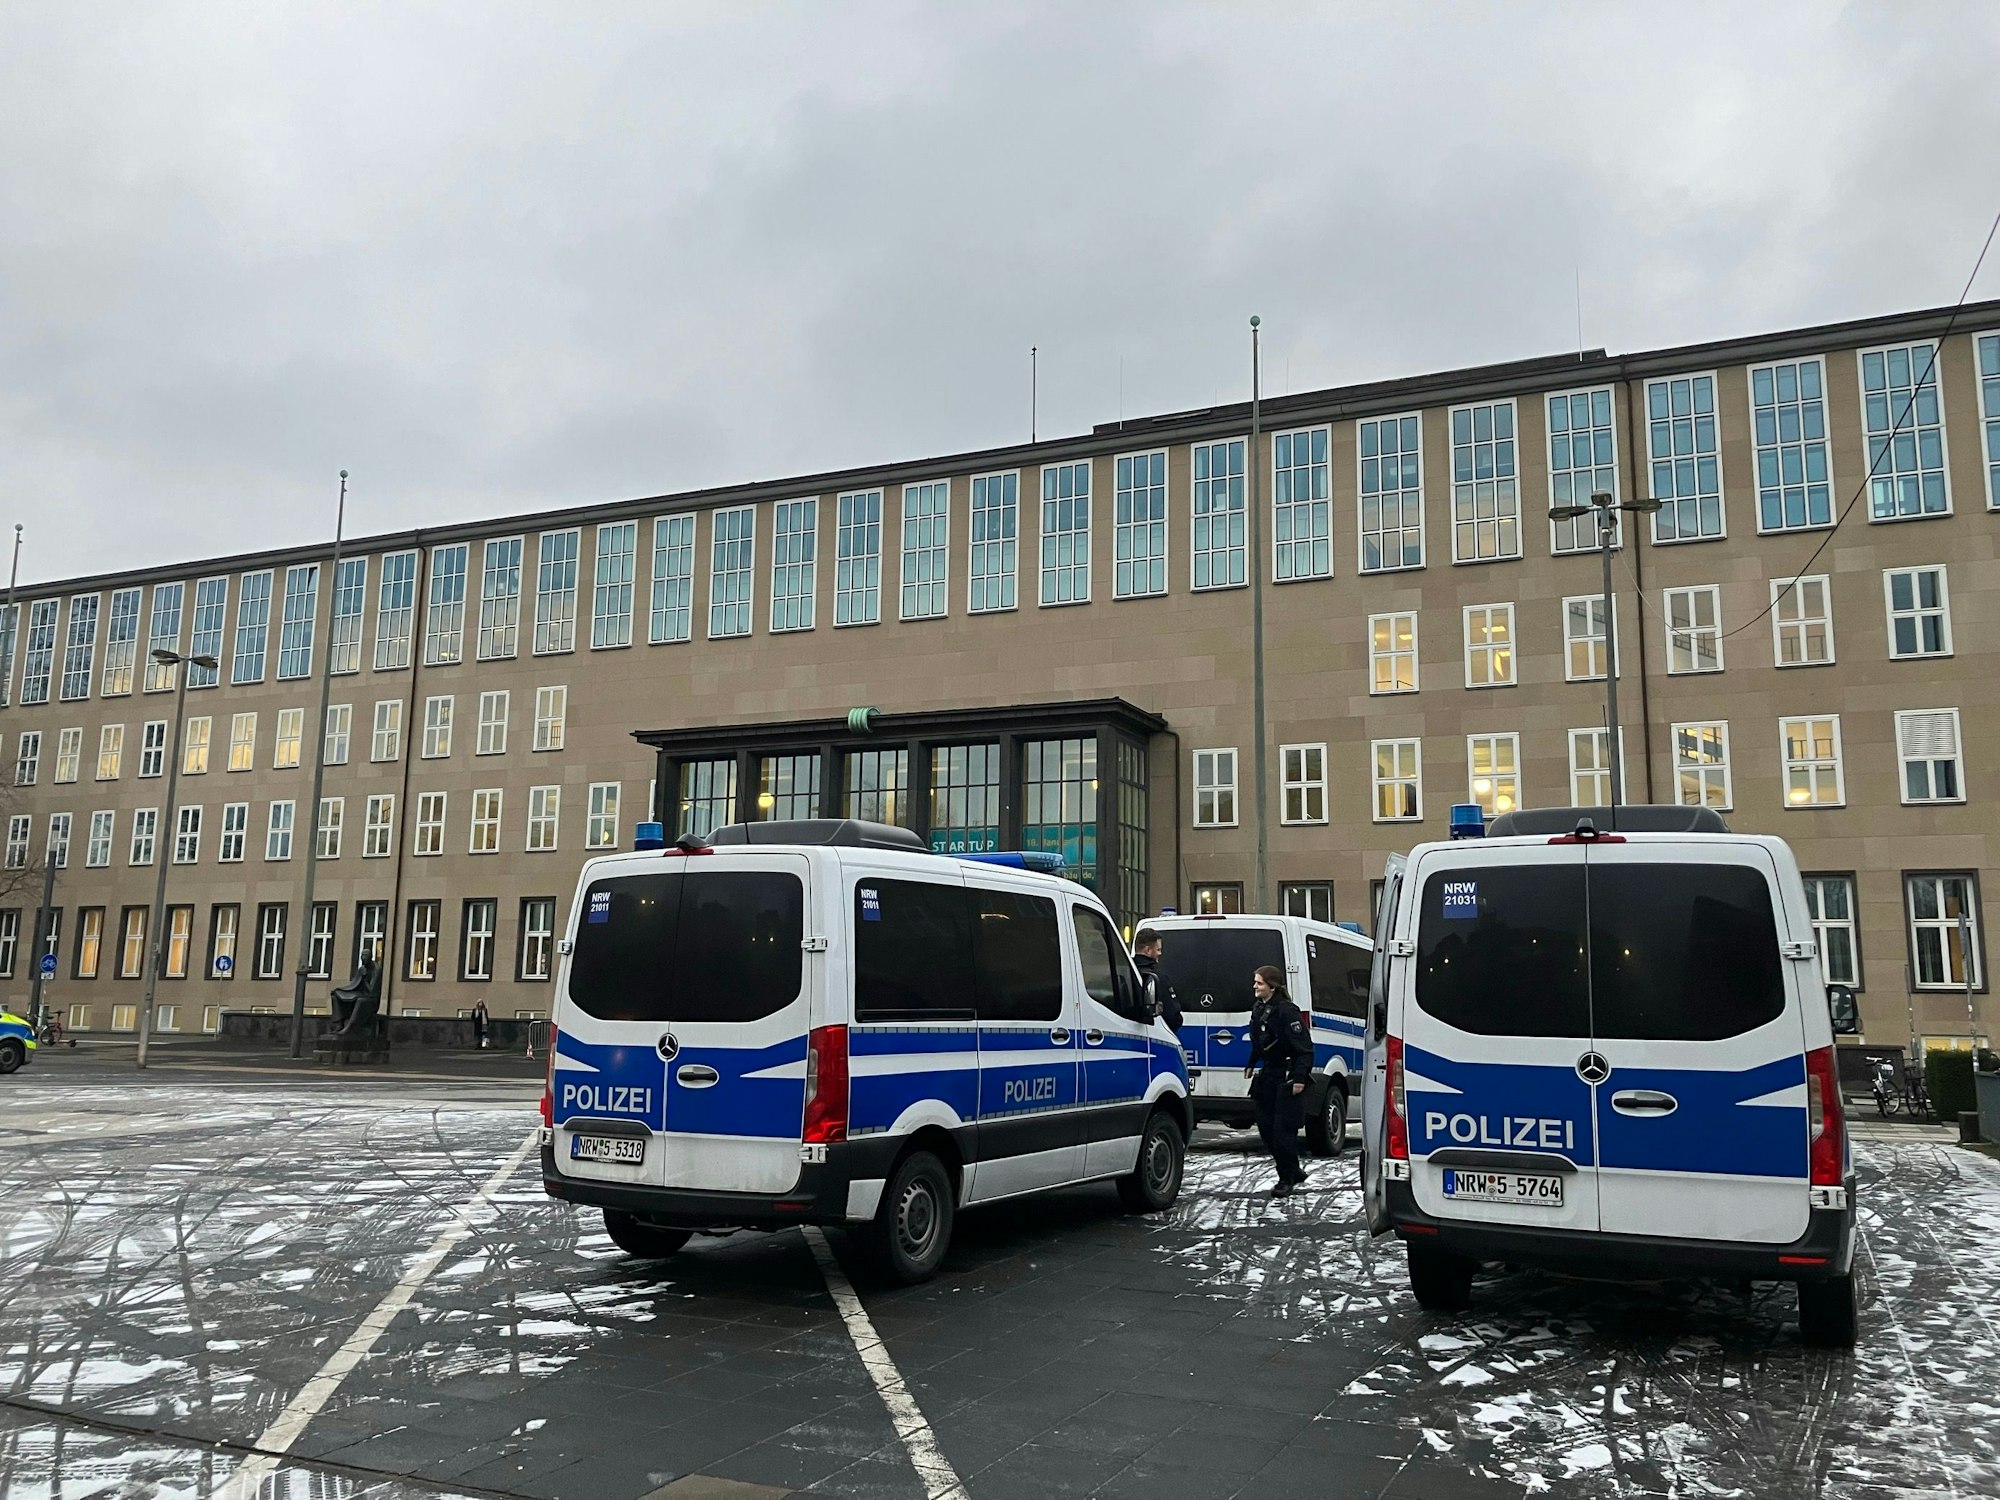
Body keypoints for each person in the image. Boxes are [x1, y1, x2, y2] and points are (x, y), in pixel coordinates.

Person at [1244, 964, 1313, 1196]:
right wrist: (1252, 1063)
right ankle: (1293, 1169)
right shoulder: (1258, 1008)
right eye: (1255, 982)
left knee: (1282, 1132)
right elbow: (1259, 1041)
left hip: (1287, 1076)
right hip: (1268, 1076)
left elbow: (1304, 1049)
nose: (1255, 986)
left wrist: (1299, 1078)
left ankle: (1286, 1179)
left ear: (1272, 986)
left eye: (1259, 983)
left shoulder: (1287, 1011)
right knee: (1265, 1128)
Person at [1131, 928, 1182, 1032]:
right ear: (1148, 950)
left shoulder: (1126, 972)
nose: (1160, 953)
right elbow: (1172, 1016)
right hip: (1154, 1034)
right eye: (1158, 950)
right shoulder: (1157, 977)